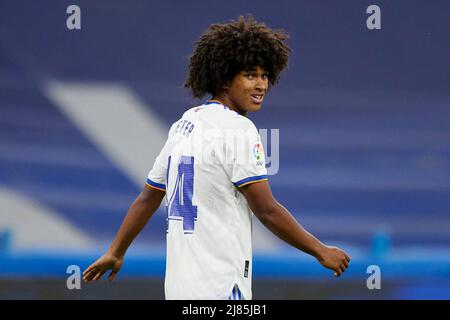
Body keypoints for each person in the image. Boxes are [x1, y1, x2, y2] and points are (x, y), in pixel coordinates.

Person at [83, 15, 350, 300]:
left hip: (180, 290)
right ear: (224, 79)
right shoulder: (239, 129)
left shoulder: (184, 124)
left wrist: (116, 251)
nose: (261, 84)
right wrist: (320, 250)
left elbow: (149, 197)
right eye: (250, 75)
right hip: (221, 287)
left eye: (265, 75)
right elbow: (267, 210)